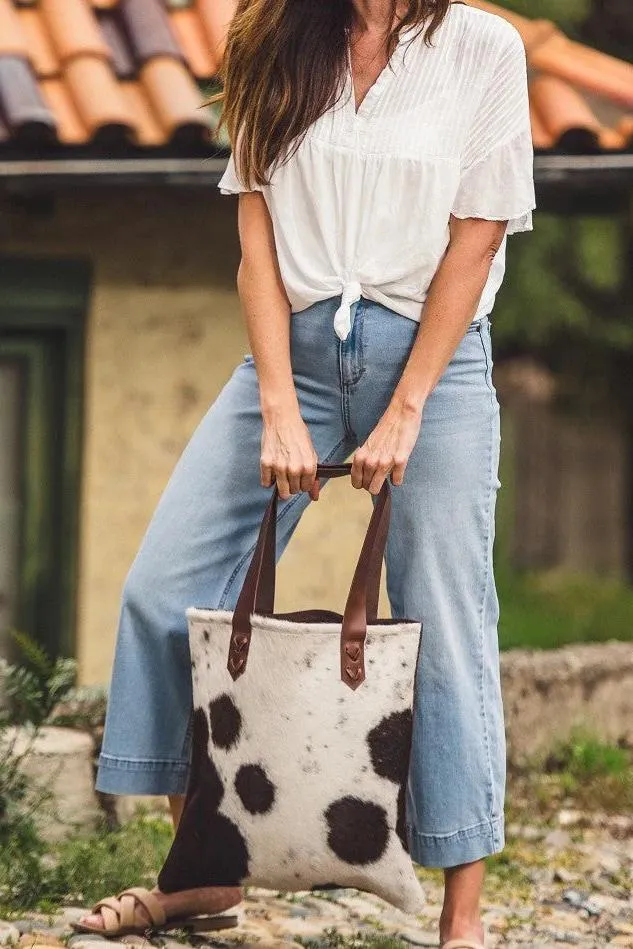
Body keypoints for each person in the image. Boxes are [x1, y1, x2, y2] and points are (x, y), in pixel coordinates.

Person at [75, 0, 535, 946]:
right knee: (163, 594)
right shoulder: (271, 34)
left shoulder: (483, 49)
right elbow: (255, 238)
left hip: (434, 365)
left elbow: (479, 233)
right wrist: (279, 404)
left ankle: (462, 916)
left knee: (445, 616)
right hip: (291, 358)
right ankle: (207, 873)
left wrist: (407, 405)